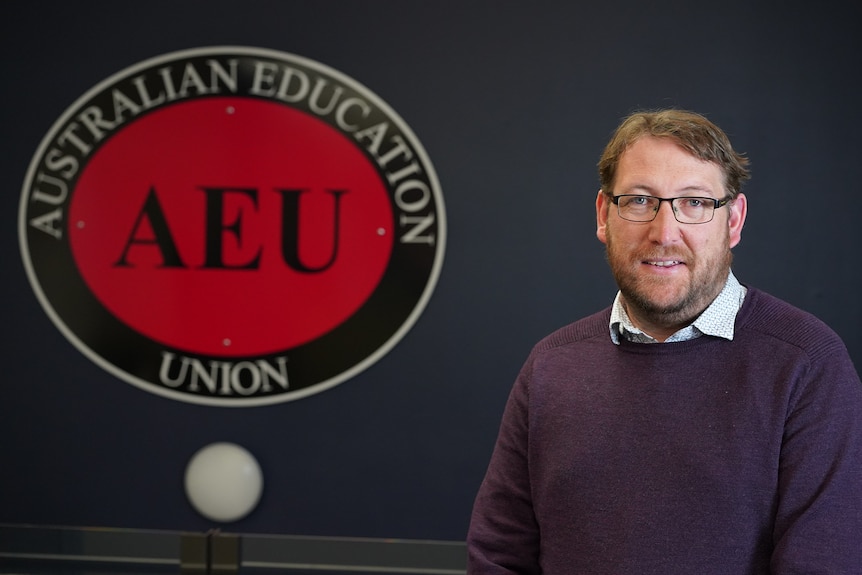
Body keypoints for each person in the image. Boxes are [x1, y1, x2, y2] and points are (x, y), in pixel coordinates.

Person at [466, 109, 862, 574]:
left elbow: (822, 562)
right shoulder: (551, 366)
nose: (664, 232)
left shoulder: (806, 363)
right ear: (603, 215)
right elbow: (498, 556)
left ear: (733, 221)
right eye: (639, 201)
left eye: (694, 203)